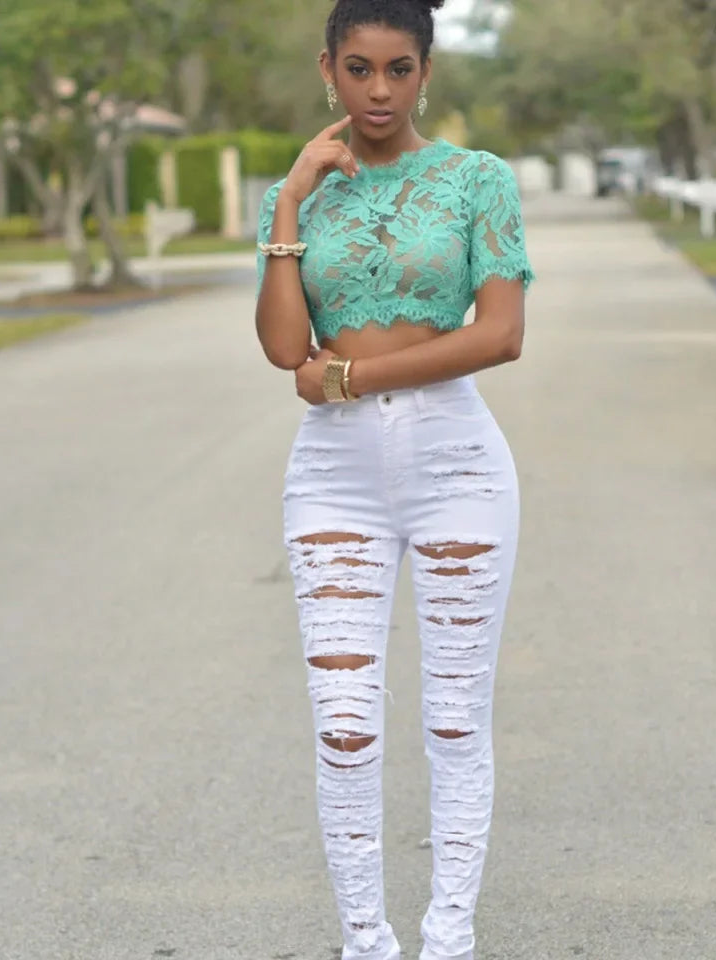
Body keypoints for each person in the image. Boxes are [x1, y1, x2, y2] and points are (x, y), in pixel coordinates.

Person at [254, 2, 534, 958]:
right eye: (360, 69)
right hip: (333, 476)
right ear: (327, 68)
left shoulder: (477, 180)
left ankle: (448, 938)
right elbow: (284, 348)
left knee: (455, 721)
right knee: (342, 727)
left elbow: (501, 335)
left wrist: (350, 378)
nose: (379, 90)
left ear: (426, 71)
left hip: (457, 463)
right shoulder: (296, 193)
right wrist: (289, 204)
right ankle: (365, 944)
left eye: (399, 69)